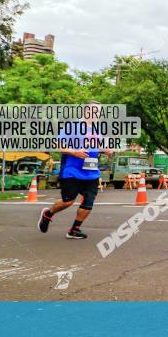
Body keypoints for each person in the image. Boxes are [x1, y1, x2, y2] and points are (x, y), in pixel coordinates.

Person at [38, 102, 112, 239]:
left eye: (99, 111)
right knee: (68, 201)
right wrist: (74, 152)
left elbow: (98, 147)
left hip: (91, 172)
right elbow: (57, 144)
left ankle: (74, 229)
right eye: (93, 110)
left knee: (88, 203)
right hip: (71, 171)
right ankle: (48, 214)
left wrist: (107, 150)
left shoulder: (98, 130)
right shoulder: (73, 126)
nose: (96, 114)